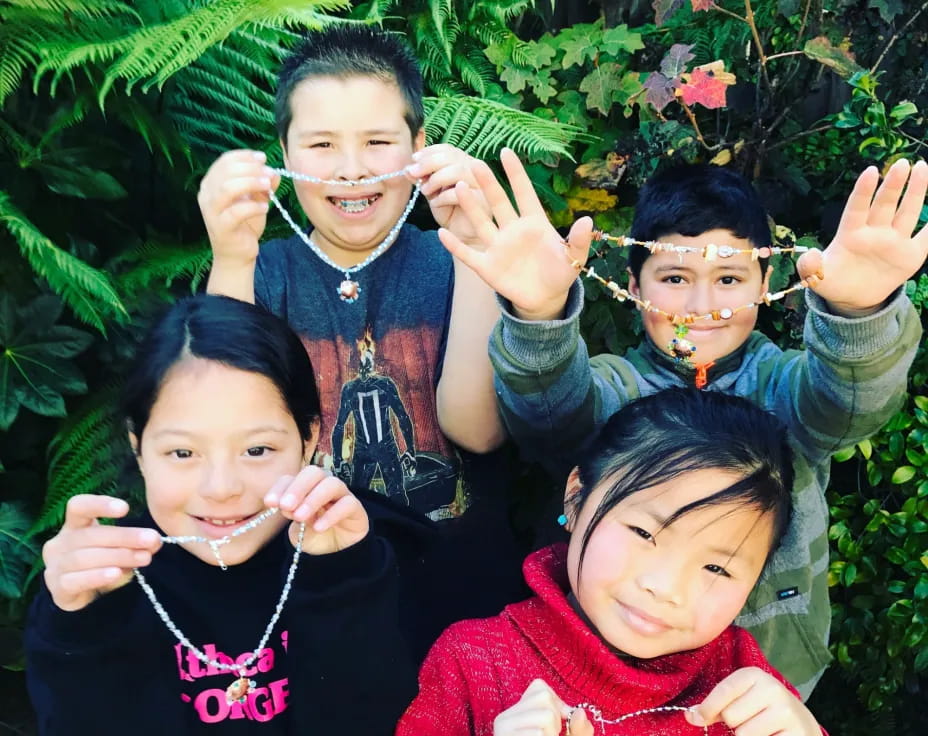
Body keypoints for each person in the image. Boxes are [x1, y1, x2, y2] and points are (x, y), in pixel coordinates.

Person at [438, 150, 926, 697]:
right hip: (605, 683)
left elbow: (851, 404)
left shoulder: (786, 391)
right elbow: (553, 415)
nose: (701, 305)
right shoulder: (616, 389)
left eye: (728, 278)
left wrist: (860, 314)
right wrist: (538, 317)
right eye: (674, 276)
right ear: (635, 282)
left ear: (767, 279)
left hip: (763, 680)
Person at [197, 25, 527, 638]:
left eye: (378, 141)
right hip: (310, 597)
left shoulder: (458, 263)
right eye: (321, 144)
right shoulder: (262, 272)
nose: (351, 171)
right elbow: (222, 426)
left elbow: (477, 432)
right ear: (285, 155)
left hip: (461, 602)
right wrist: (233, 258)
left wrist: (476, 250)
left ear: (419, 147)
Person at [26, 295, 418, 735]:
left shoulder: (369, 550)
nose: (221, 489)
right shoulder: (102, 580)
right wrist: (83, 624)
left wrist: (342, 580)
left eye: (256, 450)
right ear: (138, 449)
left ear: (308, 438)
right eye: (182, 452)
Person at [399, 388, 826, 736]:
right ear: (577, 495)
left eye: (717, 568)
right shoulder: (475, 663)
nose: (666, 587)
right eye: (644, 533)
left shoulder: (744, 684)